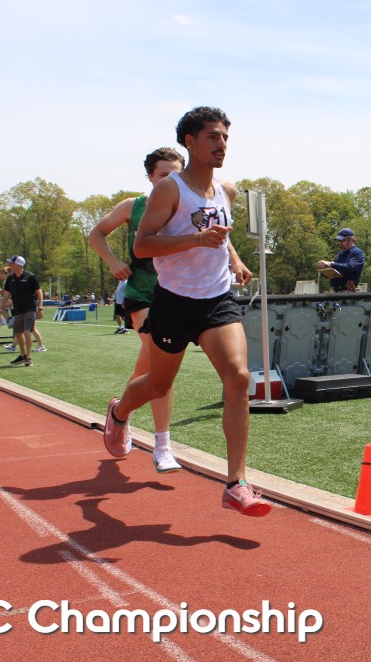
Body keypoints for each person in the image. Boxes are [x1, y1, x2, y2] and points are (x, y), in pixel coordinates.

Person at [101, 107, 268, 516]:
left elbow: (220, 235)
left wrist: (234, 258)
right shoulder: (169, 190)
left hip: (217, 300)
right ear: (190, 142)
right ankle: (119, 413)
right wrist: (195, 240)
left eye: (225, 136)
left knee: (239, 377)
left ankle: (236, 484)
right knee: (157, 385)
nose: (221, 144)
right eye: (213, 136)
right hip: (174, 300)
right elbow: (142, 245)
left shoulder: (226, 191)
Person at [90, 146, 186, 473]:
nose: (170, 181)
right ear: (150, 177)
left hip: (176, 292)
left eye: (176, 175)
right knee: (161, 364)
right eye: (164, 175)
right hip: (142, 291)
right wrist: (112, 261)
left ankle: (120, 413)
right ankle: (163, 446)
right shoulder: (133, 206)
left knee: (147, 370)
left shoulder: (190, 206)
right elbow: (96, 233)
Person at [0, 256, 43, 367]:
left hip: (29, 308)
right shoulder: (10, 278)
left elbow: (39, 292)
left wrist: (40, 308)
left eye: (11, 263)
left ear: (18, 265)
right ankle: (22, 355)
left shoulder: (30, 277)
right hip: (18, 309)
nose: (9, 266)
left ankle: (28, 358)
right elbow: (6, 294)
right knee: (18, 333)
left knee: (27, 332)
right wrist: (0, 307)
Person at [317, 228, 364, 292]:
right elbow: (334, 273)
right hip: (335, 291)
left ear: (350, 239)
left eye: (342, 241)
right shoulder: (340, 254)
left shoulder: (357, 252)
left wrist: (331, 264)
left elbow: (350, 267)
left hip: (349, 291)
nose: (340, 244)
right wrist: (323, 269)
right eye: (339, 241)